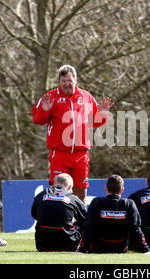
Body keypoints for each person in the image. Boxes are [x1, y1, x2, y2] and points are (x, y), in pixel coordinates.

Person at [32, 65, 114, 203]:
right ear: (59, 81)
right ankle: (58, 220)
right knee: (58, 190)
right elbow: (37, 120)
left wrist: (103, 114)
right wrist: (45, 110)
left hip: (81, 154)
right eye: (63, 81)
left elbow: (94, 121)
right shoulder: (50, 96)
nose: (66, 84)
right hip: (60, 153)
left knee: (81, 190)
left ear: (75, 79)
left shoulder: (86, 96)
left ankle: (79, 222)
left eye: (69, 81)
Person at [79, 174, 150, 254]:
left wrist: (82, 249)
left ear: (106, 188)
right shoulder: (129, 204)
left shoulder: (97, 203)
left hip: (98, 249)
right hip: (120, 249)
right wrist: (146, 250)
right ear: (122, 190)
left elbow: (88, 228)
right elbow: (136, 229)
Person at [31, 173, 87, 252]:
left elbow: (34, 214)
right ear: (70, 187)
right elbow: (87, 220)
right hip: (67, 246)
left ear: (54, 183)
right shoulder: (73, 198)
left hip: (42, 245)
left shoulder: (41, 195)